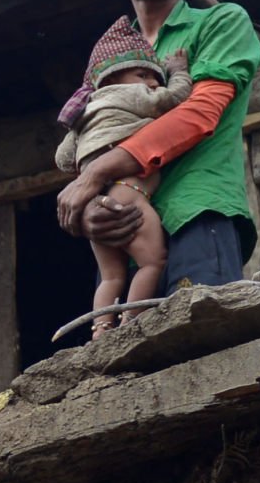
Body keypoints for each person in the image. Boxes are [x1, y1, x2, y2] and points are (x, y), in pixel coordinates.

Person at [52, 0, 260, 291]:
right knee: (122, 331)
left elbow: (199, 114)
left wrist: (97, 173)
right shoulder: (109, 58)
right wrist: (90, 210)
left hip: (198, 216)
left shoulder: (221, 23)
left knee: (206, 329)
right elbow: (89, 139)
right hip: (125, 236)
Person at [55, 29, 179, 316]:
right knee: (152, 263)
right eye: (142, 74)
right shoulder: (133, 95)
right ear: (111, 80)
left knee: (111, 278)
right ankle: (130, 324)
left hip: (96, 204)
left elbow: (63, 159)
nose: (152, 83)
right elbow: (175, 99)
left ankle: (101, 329)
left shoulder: (85, 114)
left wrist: (91, 143)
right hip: (129, 194)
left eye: (156, 77)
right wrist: (178, 72)